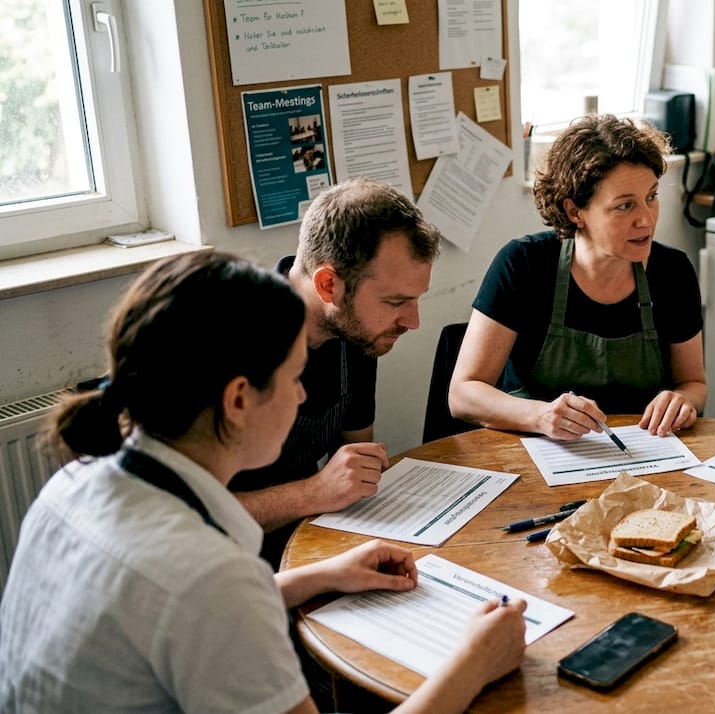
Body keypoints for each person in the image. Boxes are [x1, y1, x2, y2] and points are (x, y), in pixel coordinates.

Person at [0, 252, 526, 714]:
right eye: (294, 378)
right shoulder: (208, 577)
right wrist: (472, 664)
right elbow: (204, 597)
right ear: (237, 400)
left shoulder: (74, 482)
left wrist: (320, 576)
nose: (301, 397)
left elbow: (175, 613)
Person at [450, 114, 706, 439]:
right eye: (624, 206)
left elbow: (693, 383)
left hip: (644, 453)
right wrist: (540, 416)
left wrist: (683, 400)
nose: (646, 220)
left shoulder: (673, 272)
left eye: (651, 197)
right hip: (536, 452)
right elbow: (463, 394)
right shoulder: (524, 265)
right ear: (574, 212)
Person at [232, 177, 440, 565]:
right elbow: (184, 517)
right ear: (328, 285)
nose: (413, 322)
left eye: (415, 300)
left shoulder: (355, 335)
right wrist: (314, 492)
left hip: (313, 546)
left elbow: (356, 464)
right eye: (396, 302)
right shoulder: (229, 345)